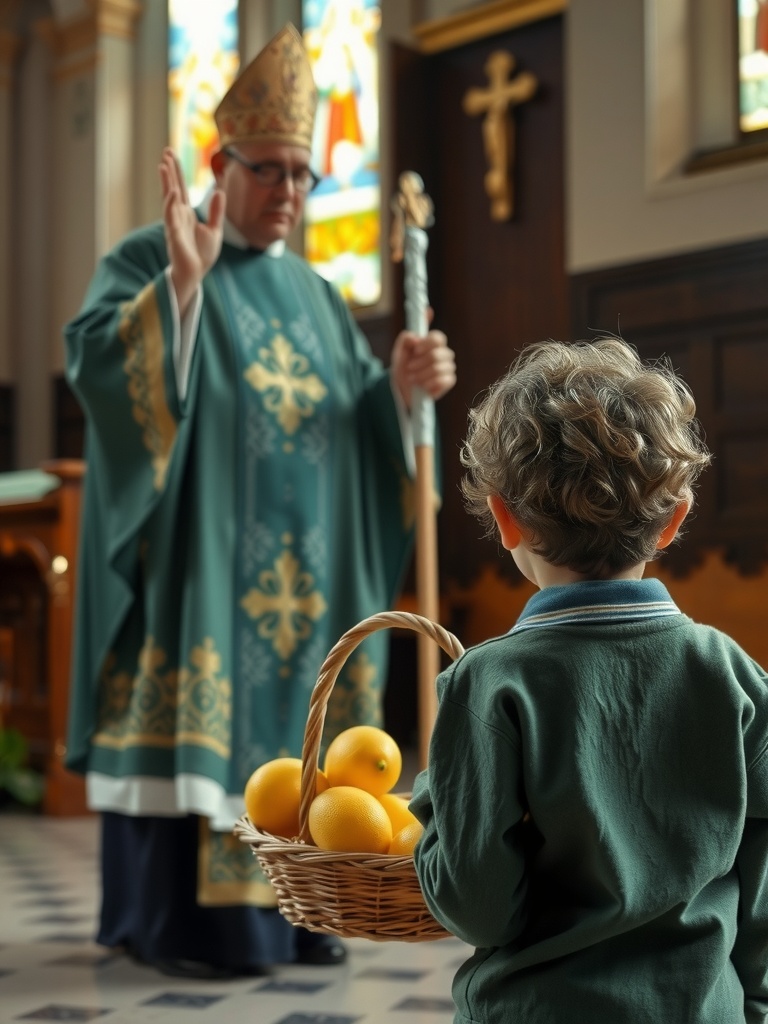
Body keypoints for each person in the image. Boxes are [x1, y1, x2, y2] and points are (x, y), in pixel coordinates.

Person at [64, 23, 456, 980]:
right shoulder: (149, 257)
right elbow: (103, 372)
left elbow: (353, 431)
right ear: (219, 165)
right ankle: (182, 925)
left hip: (308, 584)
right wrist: (182, 296)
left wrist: (401, 391)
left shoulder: (320, 298)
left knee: (309, 742)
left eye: (304, 175)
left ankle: (302, 910)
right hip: (200, 574)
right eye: (270, 171)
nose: (289, 193)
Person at [410, 336, 768, 1023]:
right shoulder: (733, 674)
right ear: (674, 522)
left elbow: (478, 909)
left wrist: (436, 804)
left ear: (504, 519)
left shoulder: (486, 684)